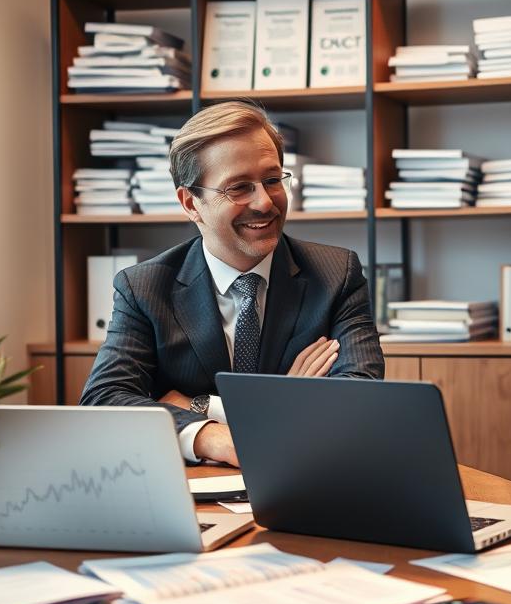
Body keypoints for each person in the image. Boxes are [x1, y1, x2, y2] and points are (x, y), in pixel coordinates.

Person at [81, 101, 384, 466]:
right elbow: (105, 397)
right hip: (192, 493)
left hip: (306, 475)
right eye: (239, 188)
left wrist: (200, 405)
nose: (265, 202)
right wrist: (212, 436)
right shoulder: (144, 287)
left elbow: (359, 396)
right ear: (191, 202)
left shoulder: (337, 274)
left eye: (272, 180)